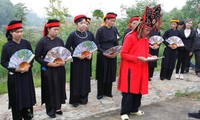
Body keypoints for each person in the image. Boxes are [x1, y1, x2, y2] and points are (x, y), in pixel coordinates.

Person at [118, 5, 162, 120]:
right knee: (128, 91)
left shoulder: (145, 39)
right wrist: (138, 58)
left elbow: (145, 52)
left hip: (141, 68)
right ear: (141, 27)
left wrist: (151, 56)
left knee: (138, 90)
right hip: (130, 69)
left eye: (150, 30)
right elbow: (123, 54)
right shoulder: (130, 37)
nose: (148, 32)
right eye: (147, 29)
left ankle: (134, 109)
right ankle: (124, 112)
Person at [1, 20, 36, 120]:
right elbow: (3, 62)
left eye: (21, 31)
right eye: (17, 32)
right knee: (17, 99)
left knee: (27, 98)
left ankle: (28, 117)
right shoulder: (7, 46)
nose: (20, 34)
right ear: (11, 32)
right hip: (15, 78)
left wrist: (29, 66)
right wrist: (16, 69)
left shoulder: (26, 43)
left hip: (26, 76)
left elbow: (31, 57)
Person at [35, 19, 66, 118]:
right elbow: (37, 57)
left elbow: (64, 53)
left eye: (58, 29)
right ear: (48, 29)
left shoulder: (60, 40)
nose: (56, 32)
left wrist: (64, 61)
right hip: (48, 70)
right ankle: (50, 110)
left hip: (59, 69)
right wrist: (48, 64)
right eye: (54, 29)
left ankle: (58, 107)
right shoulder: (42, 41)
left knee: (59, 87)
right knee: (50, 89)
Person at [65, 14, 95, 107]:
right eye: (81, 23)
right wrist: (76, 55)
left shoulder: (90, 35)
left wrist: (91, 55)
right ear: (77, 24)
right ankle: (75, 100)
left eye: (85, 23)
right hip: (77, 61)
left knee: (85, 79)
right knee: (76, 80)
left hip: (86, 61)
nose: (83, 25)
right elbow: (67, 47)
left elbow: (92, 47)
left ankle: (84, 98)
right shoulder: (72, 35)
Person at [95, 12, 120, 100]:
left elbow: (116, 43)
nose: (113, 23)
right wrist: (104, 53)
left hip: (112, 54)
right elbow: (96, 45)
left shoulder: (114, 30)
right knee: (102, 73)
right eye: (111, 21)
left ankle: (108, 92)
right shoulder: (100, 30)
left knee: (110, 73)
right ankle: (100, 93)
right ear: (106, 20)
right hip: (103, 55)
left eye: (114, 21)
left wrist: (116, 52)